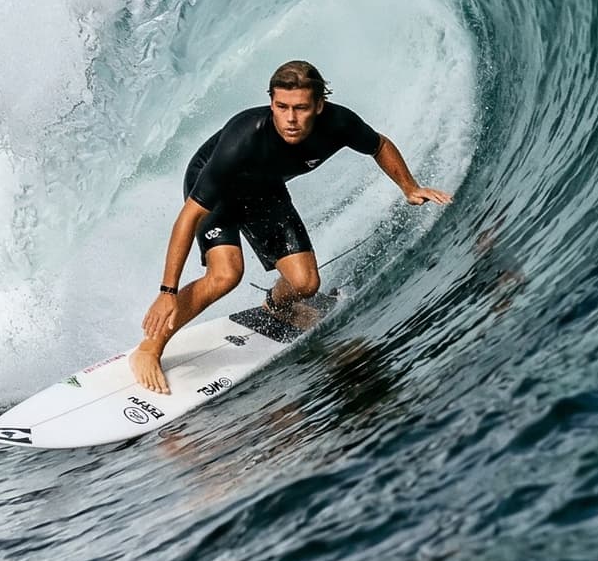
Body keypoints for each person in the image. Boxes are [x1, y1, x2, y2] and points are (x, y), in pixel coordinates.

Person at [130, 60, 453, 394]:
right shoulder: (244, 137)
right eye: (281, 107)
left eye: (300, 108)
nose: (290, 118)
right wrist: (167, 292)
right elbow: (188, 217)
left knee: (306, 283)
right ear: (271, 103)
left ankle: (275, 306)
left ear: (318, 106)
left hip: (263, 189)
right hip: (217, 188)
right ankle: (150, 348)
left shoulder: (338, 123)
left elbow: (379, 145)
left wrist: (410, 188)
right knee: (226, 274)